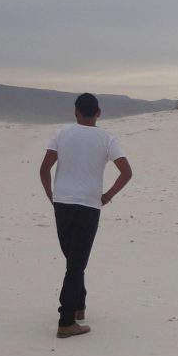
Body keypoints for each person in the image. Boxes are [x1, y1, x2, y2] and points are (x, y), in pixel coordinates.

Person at [39, 93, 133, 338]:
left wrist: (51, 194)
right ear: (99, 113)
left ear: (76, 113)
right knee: (75, 262)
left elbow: (44, 168)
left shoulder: (62, 133)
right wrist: (107, 196)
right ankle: (66, 320)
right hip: (90, 205)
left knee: (74, 260)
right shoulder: (107, 139)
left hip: (62, 203)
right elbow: (126, 172)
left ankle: (78, 304)